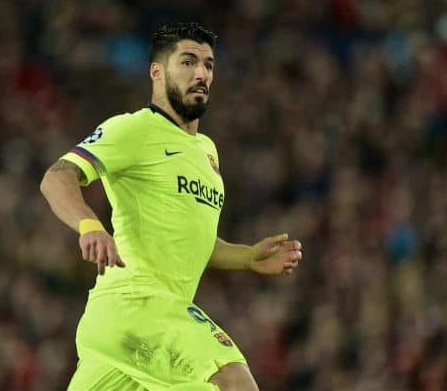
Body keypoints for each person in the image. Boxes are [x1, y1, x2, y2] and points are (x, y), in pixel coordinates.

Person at [40, 22, 303, 391]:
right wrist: (90, 226)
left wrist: (246, 257)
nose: (201, 73)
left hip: (127, 332)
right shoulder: (133, 129)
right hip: (137, 301)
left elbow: (187, 237)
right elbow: (56, 177)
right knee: (234, 383)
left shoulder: (207, 152)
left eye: (209, 65)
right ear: (157, 72)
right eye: (188, 62)